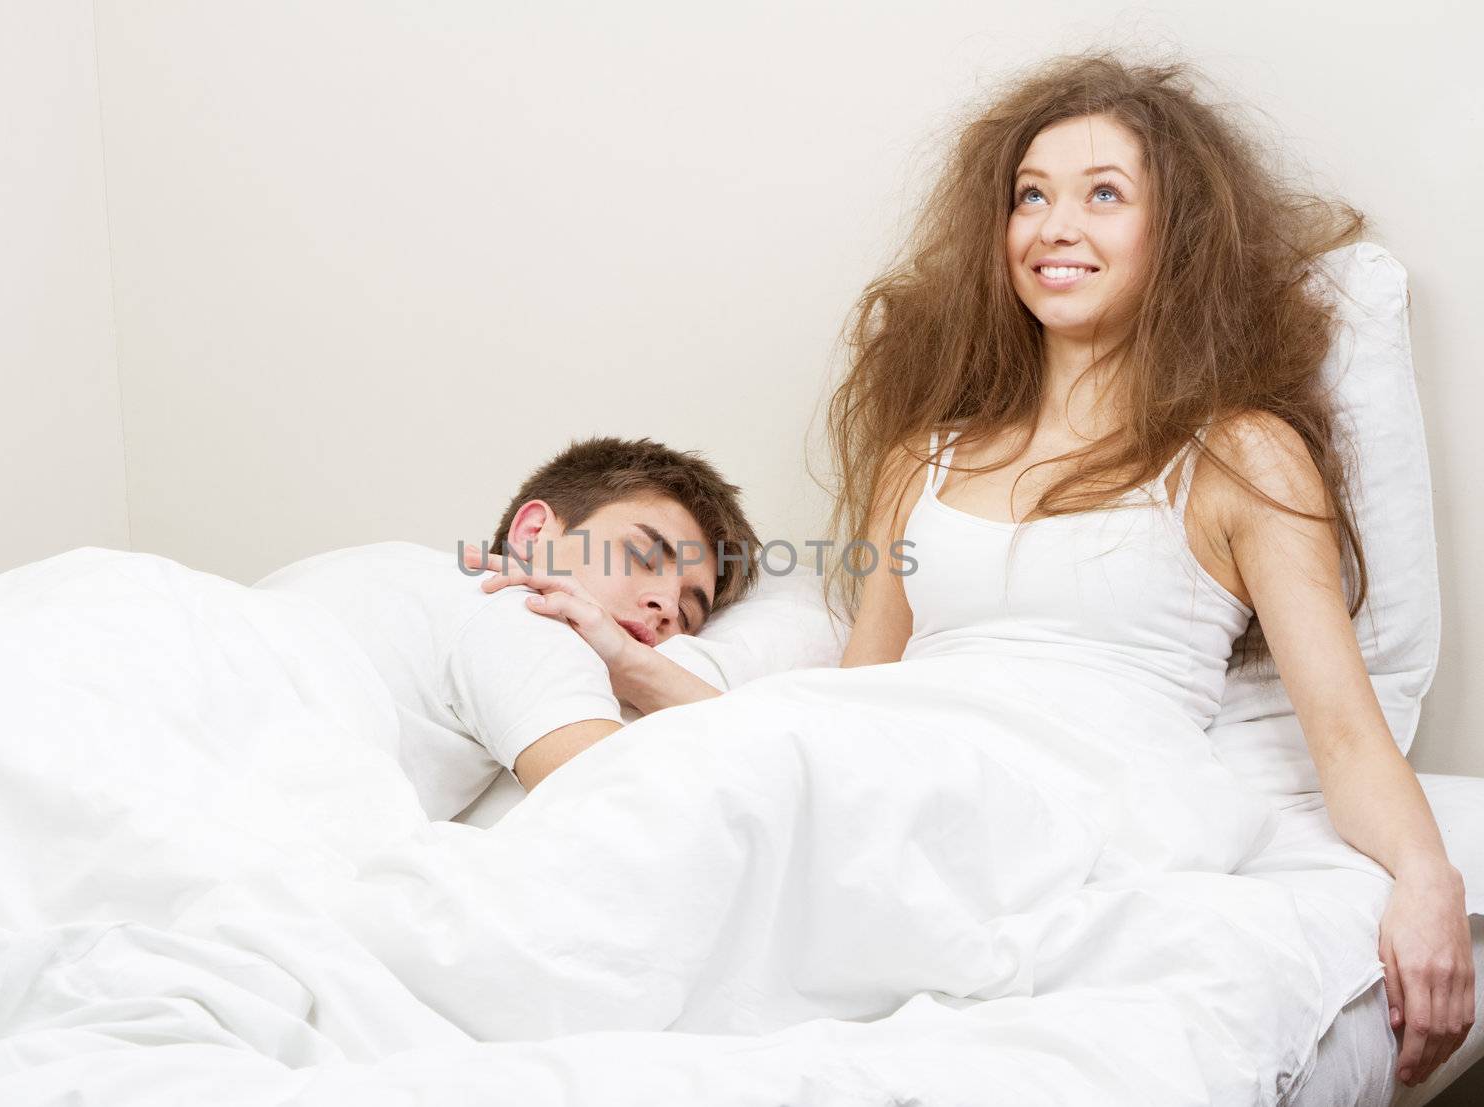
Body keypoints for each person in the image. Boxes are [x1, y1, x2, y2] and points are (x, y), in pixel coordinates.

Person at [476, 54, 1473, 1088]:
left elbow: (1347, 735)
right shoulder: (925, 458)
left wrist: (1428, 884)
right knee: (698, 792)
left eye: (1102, 196)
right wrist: (639, 675)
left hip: (1081, 786)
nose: (1054, 227)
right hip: (912, 766)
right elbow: (846, 709)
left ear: (1171, 235)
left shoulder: (1240, 454)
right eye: (1030, 197)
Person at [258, 434, 758, 821]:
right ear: (533, 533)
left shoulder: (379, 571)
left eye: (689, 613)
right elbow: (638, 821)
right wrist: (635, 667)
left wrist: (631, 662)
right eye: (642, 554)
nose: (665, 603)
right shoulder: (519, 615)